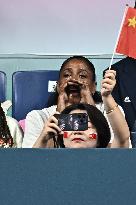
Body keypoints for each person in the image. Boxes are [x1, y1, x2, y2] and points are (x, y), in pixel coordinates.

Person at [22, 55, 130, 148]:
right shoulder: (37, 116)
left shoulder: (109, 111)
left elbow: (115, 150)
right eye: (67, 75)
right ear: (58, 85)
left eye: (82, 76)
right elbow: (34, 161)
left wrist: (91, 108)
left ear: (94, 87)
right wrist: (60, 112)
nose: (73, 80)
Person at [33, 103, 129, 148]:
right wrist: (43, 138)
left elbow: (122, 137)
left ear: (100, 136)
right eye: (71, 125)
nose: (77, 132)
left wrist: (107, 97)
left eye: (85, 125)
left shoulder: (110, 160)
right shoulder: (52, 163)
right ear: (61, 136)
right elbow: (30, 167)